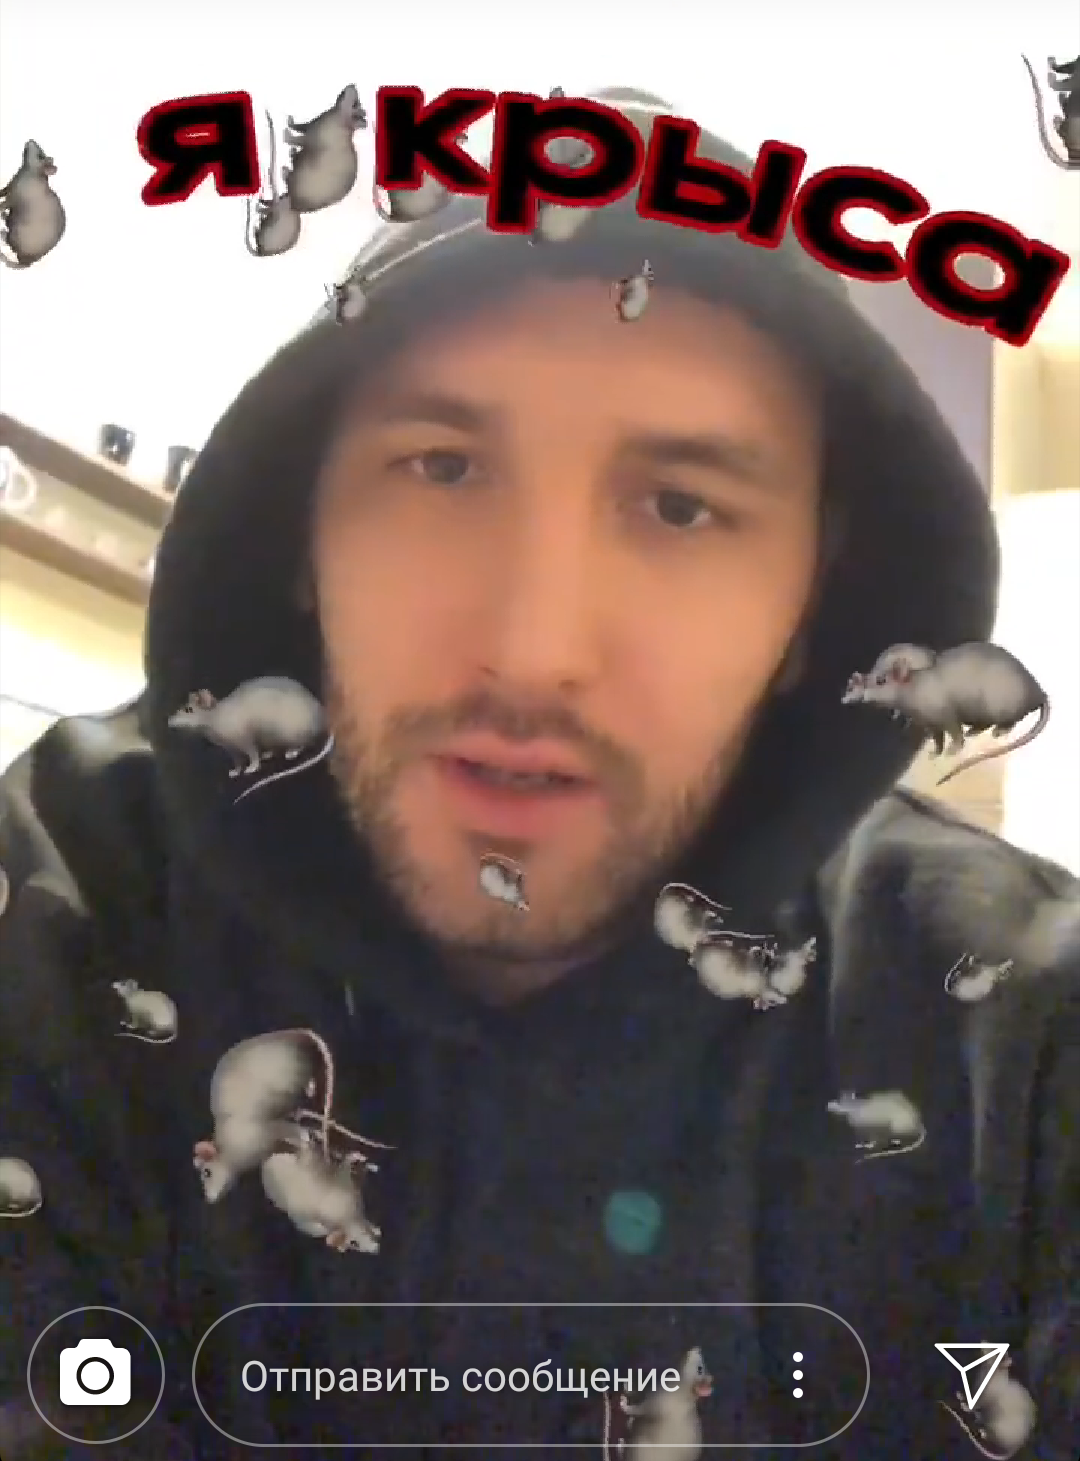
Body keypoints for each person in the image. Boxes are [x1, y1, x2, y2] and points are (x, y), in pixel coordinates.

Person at [1, 89, 1077, 1461]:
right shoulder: (67, 921)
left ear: (816, 609)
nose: (533, 649)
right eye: (441, 468)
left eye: (681, 506)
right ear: (299, 539)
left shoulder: (1016, 1039)